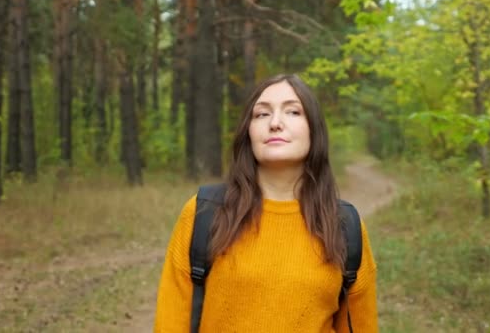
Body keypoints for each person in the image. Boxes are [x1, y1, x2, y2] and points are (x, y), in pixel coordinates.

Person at [154, 74, 378, 332]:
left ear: (314, 129)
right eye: (261, 114)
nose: (275, 123)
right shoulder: (204, 212)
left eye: (293, 112)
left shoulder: (344, 226)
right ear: (248, 132)